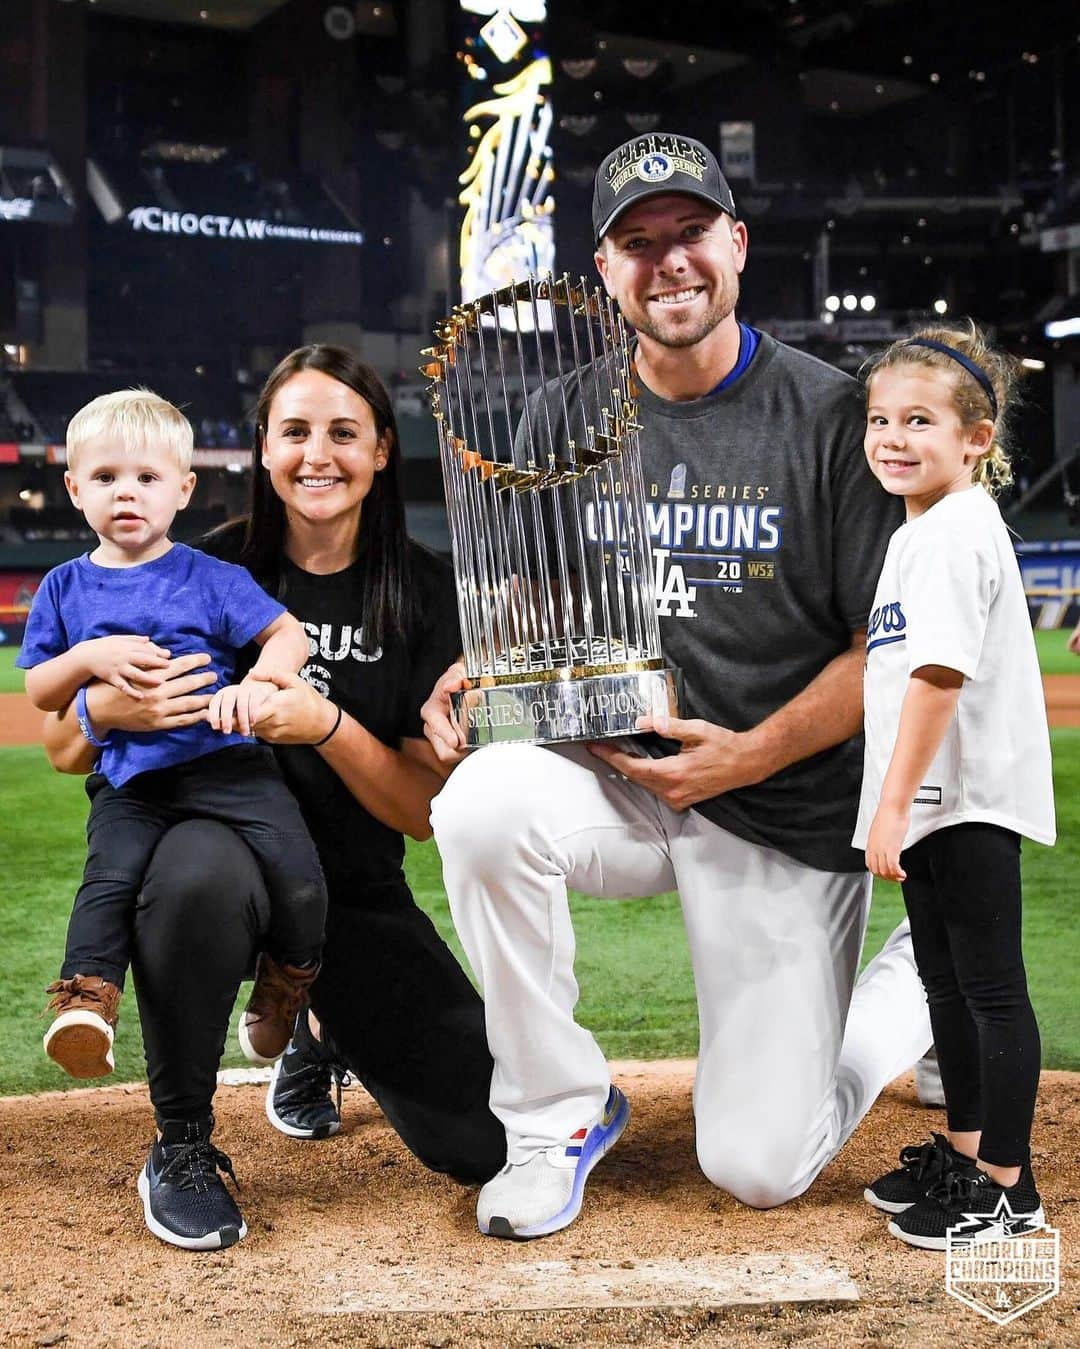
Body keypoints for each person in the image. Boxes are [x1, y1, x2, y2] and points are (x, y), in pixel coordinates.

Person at [423, 131, 933, 1240]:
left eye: (690, 233)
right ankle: (556, 1113)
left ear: (736, 244)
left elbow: (879, 645)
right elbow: (536, 599)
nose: (669, 263)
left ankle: (918, 984)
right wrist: (482, 664)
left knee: (759, 1164)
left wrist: (746, 754)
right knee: (478, 805)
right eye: (637, 243)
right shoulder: (567, 409)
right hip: (618, 781)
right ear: (605, 270)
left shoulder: (833, 413)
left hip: (777, 798)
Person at [43, 347, 505, 1251]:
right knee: (194, 879)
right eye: (294, 431)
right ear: (263, 448)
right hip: (216, 845)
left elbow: (417, 809)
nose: (317, 454)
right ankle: (180, 1143)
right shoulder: (193, 564)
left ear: (380, 452)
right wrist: (109, 701)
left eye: (344, 432)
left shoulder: (423, 588)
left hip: (351, 896)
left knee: (485, 1141)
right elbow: (65, 747)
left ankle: (314, 1024)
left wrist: (324, 724)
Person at [19, 388, 326, 1078]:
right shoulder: (65, 587)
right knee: (109, 877)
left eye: (146, 478)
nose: (126, 493)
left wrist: (259, 683)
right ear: (73, 488)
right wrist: (87, 659)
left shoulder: (211, 577)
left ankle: (289, 975)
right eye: (104, 477)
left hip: (227, 764)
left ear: (182, 490)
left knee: (300, 876)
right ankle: (87, 1001)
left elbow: (287, 634)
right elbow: (41, 688)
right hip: (133, 775)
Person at [856, 325, 1055, 1249]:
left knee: (988, 989)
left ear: (976, 438)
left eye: (920, 419)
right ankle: (969, 1152)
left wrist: (893, 804)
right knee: (944, 981)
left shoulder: (956, 530)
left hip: (964, 797)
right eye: (880, 418)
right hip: (940, 799)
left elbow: (938, 679)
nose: (893, 436)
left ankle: (1007, 1188)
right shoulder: (922, 530)